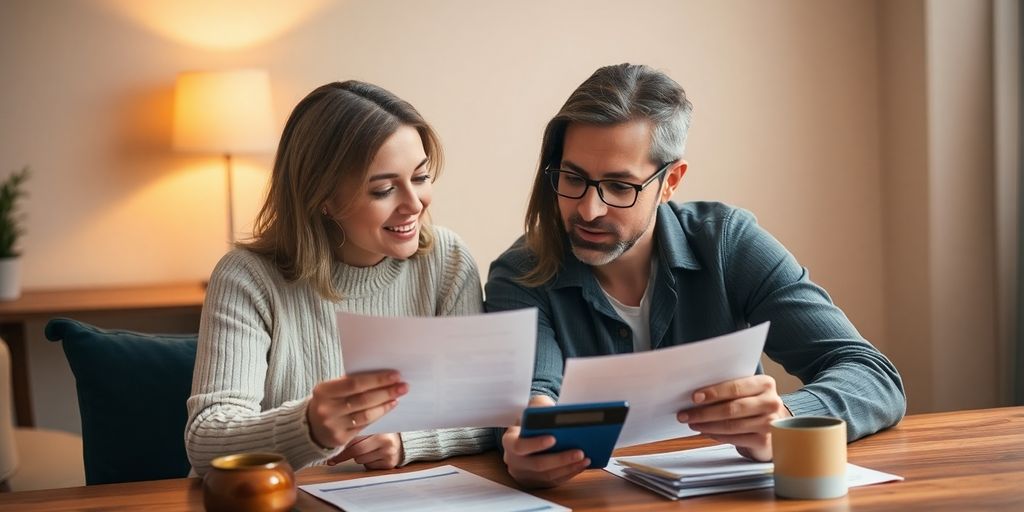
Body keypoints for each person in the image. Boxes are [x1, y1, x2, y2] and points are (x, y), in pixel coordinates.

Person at [485, 63, 906, 488]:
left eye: (619, 186)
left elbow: (872, 375)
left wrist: (788, 419)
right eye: (573, 178)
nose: (589, 210)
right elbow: (533, 392)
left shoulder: (728, 241)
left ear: (671, 181)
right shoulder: (520, 272)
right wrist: (525, 433)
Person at [186, 81, 494, 476]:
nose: (414, 204)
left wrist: (405, 441)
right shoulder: (247, 278)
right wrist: (309, 425)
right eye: (384, 189)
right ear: (324, 199)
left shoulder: (446, 260)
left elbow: (489, 408)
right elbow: (204, 441)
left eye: (420, 177)